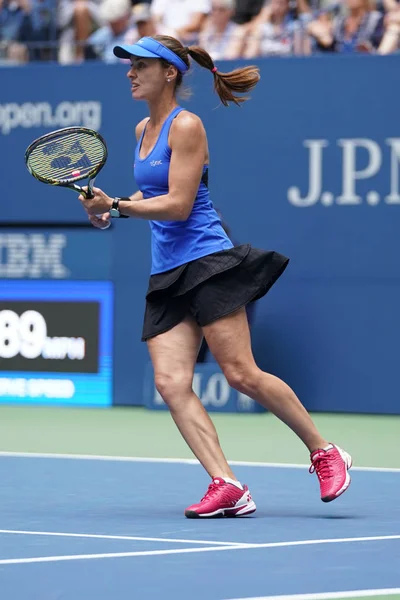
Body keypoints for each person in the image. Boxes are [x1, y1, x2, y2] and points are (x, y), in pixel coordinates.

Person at [78, 34, 353, 519]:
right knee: (170, 381)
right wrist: (108, 212)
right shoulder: (143, 127)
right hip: (166, 270)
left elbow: (180, 204)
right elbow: (151, 201)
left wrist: (118, 207)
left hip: (207, 262)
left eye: (140, 65)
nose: (130, 73)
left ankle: (325, 451)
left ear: (169, 72)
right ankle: (227, 484)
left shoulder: (187, 126)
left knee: (241, 373)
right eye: (129, 65)